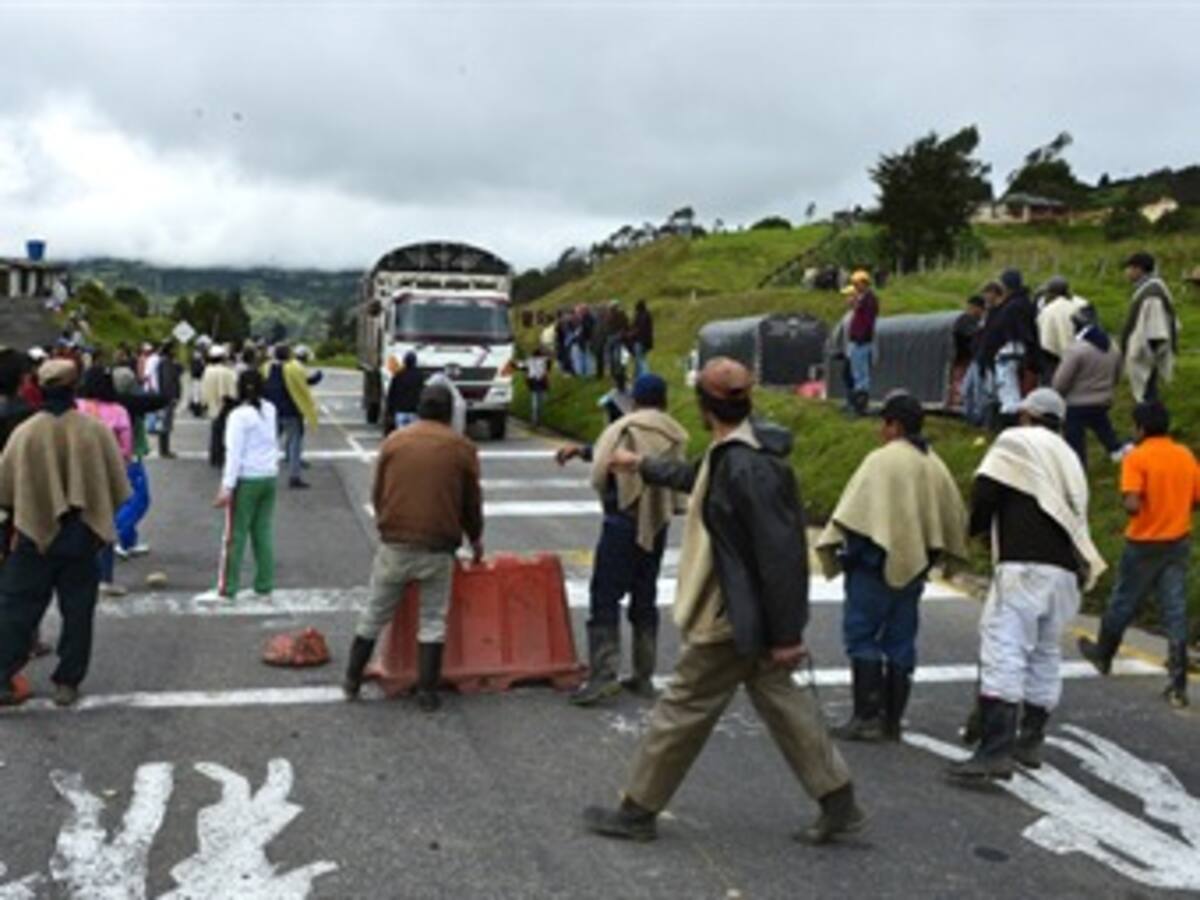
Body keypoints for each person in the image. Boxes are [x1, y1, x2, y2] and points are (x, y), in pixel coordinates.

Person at [582, 358, 864, 845]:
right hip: (747, 614)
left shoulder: (744, 465)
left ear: (703, 407)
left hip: (731, 615)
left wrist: (786, 635)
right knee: (784, 703)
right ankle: (838, 801)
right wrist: (642, 466)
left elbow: (780, 556)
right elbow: (702, 478)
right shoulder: (739, 452)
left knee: (681, 709)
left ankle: (637, 810)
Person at [948, 388, 1105, 782]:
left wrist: (978, 530)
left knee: (1005, 647)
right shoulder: (1070, 455)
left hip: (1024, 566)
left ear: (1026, 414)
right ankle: (1030, 739)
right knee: (1045, 652)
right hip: (1066, 571)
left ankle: (995, 750)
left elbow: (986, 491)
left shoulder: (1016, 440)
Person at [815, 392, 968, 742]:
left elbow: (855, 512)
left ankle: (867, 715)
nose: (880, 431)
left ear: (894, 425)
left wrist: (843, 553)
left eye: (883, 423)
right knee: (901, 640)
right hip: (915, 567)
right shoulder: (933, 463)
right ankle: (892, 720)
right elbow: (950, 514)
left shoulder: (881, 461)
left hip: (872, 565)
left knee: (862, 636)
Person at [342, 384, 483, 712]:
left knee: (375, 613)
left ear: (419, 409)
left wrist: (387, 526)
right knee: (433, 618)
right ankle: (426, 693)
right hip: (438, 546)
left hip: (396, 543)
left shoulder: (394, 441)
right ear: (449, 413)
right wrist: (474, 538)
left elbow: (378, 492)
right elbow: (471, 502)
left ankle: (351, 679)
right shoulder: (462, 447)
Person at [0, 359, 130, 707]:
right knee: (77, 611)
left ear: (40, 387)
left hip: (33, 533)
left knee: (17, 608)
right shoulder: (94, 430)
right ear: (74, 388)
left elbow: (6, 488)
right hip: (81, 534)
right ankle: (67, 682)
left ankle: (3, 677)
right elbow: (116, 484)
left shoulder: (25, 432)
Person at [556, 374, 688, 705]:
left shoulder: (625, 427)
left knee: (605, 595)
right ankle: (644, 676)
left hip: (621, 523)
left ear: (634, 400)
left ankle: (603, 676)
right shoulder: (673, 433)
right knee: (645, 597)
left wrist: (580, 452)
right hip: (655, 525)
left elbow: (604, 461)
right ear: (664, 400)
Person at [1078, 401, 1200, 708]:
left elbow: (1132, 503)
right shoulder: (1184, 455)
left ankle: (1104, 653)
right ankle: (1177, 681)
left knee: (1124, 598)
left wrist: (1136, 502)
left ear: (1141, 428)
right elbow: (1196, 499)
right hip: (1177, 540)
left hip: (1144, 541)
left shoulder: (1137, 457)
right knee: (1174, 606)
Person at [203, 370, 279, 602]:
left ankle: (228, 588)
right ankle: (264, 583)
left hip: (247, 479)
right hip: (269, 476)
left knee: (234, 535)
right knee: (262, 532)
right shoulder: (269, 409)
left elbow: (233, 453)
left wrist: (226, 486)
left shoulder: (238, 415)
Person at [75, 366, 134, 598]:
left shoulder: (77, 407)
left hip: (77, 472)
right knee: (104, 525)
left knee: (79, 523)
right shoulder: (119, 411)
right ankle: (104, 579)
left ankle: (78, 576)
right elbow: (126, 449)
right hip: (107, 474)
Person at [1052, 305, 1126, 467]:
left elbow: (1060, 381)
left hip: (1076, 403)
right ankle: (1118, 453)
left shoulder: (1076, 349)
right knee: (1105, 431)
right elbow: (1118, 373)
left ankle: (1078, 468)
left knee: (1075, 442)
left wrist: (1058, 394)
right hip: (1102, 400)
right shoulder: (1113, 346)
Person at [977, 270, 1039, 429]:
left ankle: (1010, 426)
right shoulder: (1024, 304)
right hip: (1017, 353)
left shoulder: (1011, 307)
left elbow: (1000, 332)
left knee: (1008, 392)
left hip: (1007, 353)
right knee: (1009, 391)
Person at [1120, 252, 1178, 403]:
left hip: (1146, 355)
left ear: (1139, 269)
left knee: (1147, 395)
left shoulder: (1152, 293)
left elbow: (1156, 331)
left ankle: (1151, 424)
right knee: (1147, 393)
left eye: (1129, 268)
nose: (1127, 272)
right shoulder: (1150, 287)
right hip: (1145, 353)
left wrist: (1146, 354)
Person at [263, 345, 319, 489]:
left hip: (272, 412)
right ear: (288, 355)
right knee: (295, 443)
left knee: (270, 442)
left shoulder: (267, 368)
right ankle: (294, 476)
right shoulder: (294, 368)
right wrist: (319, 375)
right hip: (292, 411)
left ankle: (262, 471)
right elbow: (306, 382)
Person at [1035, 276, 1089, 382]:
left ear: (1052, 293)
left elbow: (1043, 336)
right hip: (1079, 352)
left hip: (1053, 355)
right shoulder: (1082, 304)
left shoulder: (1048, 310)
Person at [845, 270, 879, 416]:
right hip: (856, 341)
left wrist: (860, 337)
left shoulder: (870, 300)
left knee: (861, 375)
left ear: (864, 283)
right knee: (854, 373)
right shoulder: (863, 299)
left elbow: (867, 321)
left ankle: (860, 407)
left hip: (861, 342)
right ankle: (855, 403)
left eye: (856, 283)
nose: (855, 287)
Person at [201, 346, 238, 468]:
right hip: (225, 404)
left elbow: (204, 390)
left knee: (215, 431)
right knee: (225, 432)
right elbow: (231, 391)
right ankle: (222, 457)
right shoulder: (226, 371)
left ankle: (214, 457)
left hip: (212, 404)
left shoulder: (207, 370)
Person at [951, 295, 986, 414]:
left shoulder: (973, 321)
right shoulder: (965, 320)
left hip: (969, 358)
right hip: (965, 358)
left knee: (967, 387)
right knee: (966, 387)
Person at [384, 351, 422, 436]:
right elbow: (421, 392)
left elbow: (392, 393)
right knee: (413, 435)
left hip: (400, 410)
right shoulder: (419, 375)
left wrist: (390, 409)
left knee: (401, 434)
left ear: (404, 361)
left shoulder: (398, 375)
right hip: (414, 410)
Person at [155, 339, 182, 458]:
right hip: (167, 397)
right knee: (166, 423)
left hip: (165, 396)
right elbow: (168, 381)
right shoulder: (166, 363)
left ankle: (165, 449)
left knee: (166, 422)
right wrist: (172, 396)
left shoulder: (167, 362)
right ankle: (164, 450)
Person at [523, 346, 553, 429]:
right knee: (540, 403)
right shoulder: (545, 361)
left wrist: (527, 383)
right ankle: (538, 421)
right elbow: (547, 373)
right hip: (541, 383)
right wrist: (548, 383)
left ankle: (535, 422)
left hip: (533, 383)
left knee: (535, 403)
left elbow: (526, 373)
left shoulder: (530, 361)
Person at [632, 300, 654, 377]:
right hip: (647, 341)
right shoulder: (647, 315)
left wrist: (631, 334)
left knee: (641, 359)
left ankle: (645, 375)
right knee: (641, 358)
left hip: (640, 340)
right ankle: (638, 375)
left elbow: (638, 329)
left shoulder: (641, 316)